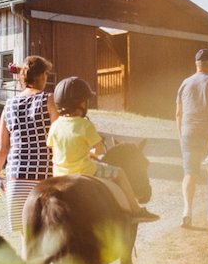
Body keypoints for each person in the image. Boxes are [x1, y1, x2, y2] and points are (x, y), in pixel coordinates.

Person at [47, 76, 159, 223]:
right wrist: (91, 154)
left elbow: (53, 147)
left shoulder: (55, 125)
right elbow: (99, 151)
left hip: (59, 174)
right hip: (85, 170)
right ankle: (136, 210)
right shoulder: (85, 125)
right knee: (120, 173)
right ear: (81, 103)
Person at [0, 55, 58, 232]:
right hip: (45, 177)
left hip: (16, 181)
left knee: (26, 243)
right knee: (50, 240)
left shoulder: (9, 105)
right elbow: (58, 136)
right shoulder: (48, 100)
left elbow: (1, 148)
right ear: (43, 75)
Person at [176, 49, 208, 228]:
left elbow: (178, 113)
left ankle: (187, 211)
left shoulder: (184, 83)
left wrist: (180, 135)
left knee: (189, 172)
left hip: (187, 133)